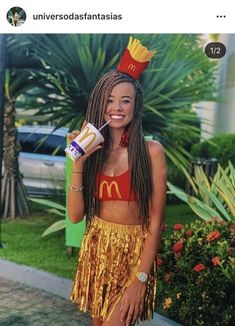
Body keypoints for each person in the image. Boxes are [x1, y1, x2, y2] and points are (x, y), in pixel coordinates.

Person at [68, 37, 167, 326]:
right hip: (98, 248)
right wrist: (78, 164)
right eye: (110, 100)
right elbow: (75, 216)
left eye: (126, 100)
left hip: (133, 253)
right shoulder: (92, 154)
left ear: (136, 106)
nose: (117, 107)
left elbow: (156, 220)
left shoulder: (151, 152)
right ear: (100, 104)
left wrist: (140, 279)